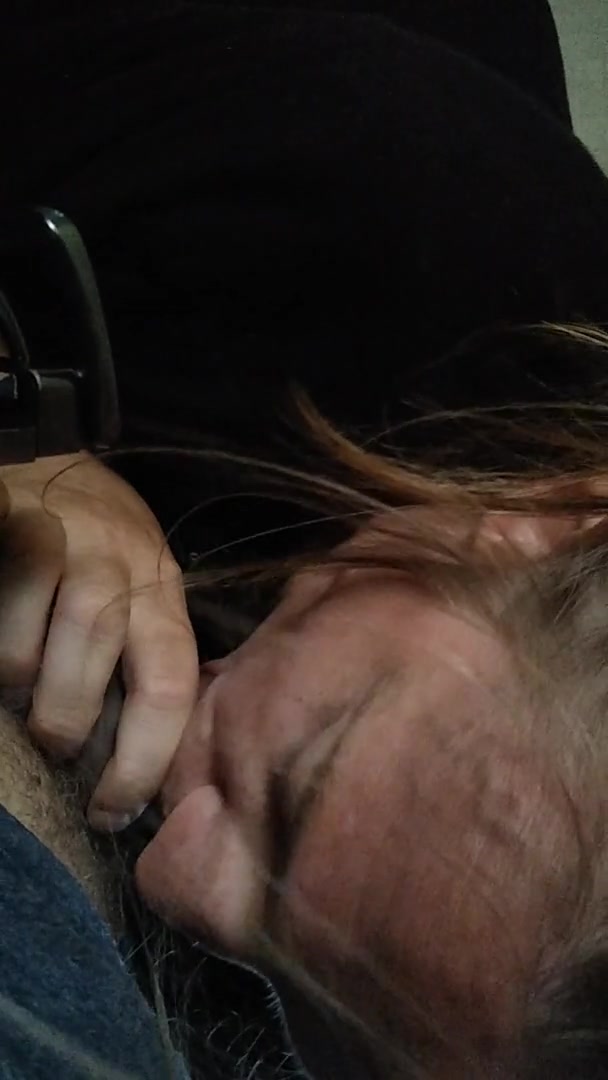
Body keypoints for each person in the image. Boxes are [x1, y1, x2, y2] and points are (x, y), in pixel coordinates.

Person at [1, 1, 608, 1077]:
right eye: (294, 789)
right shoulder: (375, 196)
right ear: (534, 529)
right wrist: (21, 437)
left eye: (302, 1019)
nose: (169, 881)